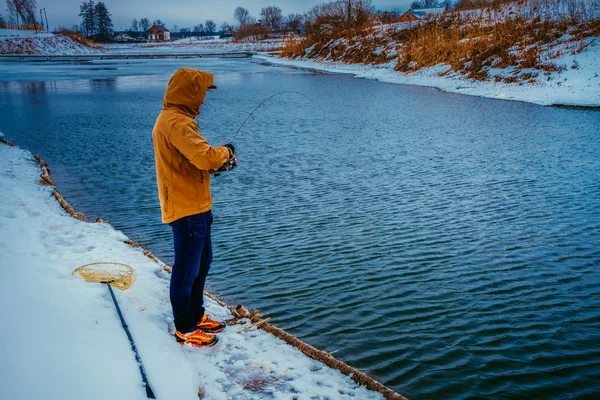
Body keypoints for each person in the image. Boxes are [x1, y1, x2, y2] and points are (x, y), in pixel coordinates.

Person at [152, 68, 235, 348]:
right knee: (186, 269)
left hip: (197, 205)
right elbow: (203, 156)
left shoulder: (177, 120)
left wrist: (215, 163)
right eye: (201, 94)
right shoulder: (177, 122)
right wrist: (225, 152)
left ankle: (196, 315)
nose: (203, 101)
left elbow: (191, 162)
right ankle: (185, 328)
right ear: (190, 93)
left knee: (201, 264)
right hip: (186, 209)